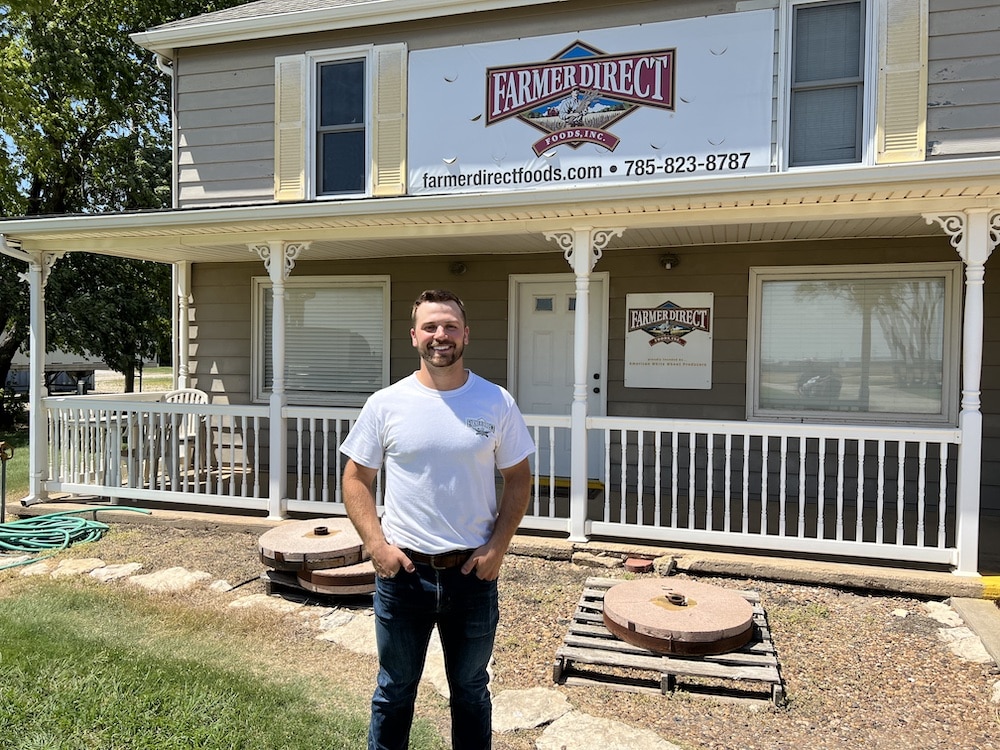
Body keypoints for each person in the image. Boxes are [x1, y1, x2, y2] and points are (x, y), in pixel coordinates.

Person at [341, 289, 534, 750]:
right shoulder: (387, 403)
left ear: (465, 334)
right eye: (430, 327)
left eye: (449, 326)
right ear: (414, 337)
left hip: (472, 575)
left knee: (470, 693)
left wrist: (496, 550)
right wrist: (377, 547)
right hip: (404, 575)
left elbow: (519, 478)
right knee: (394, 690)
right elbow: (355, 477)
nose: (440, 335)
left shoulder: (496, 402)